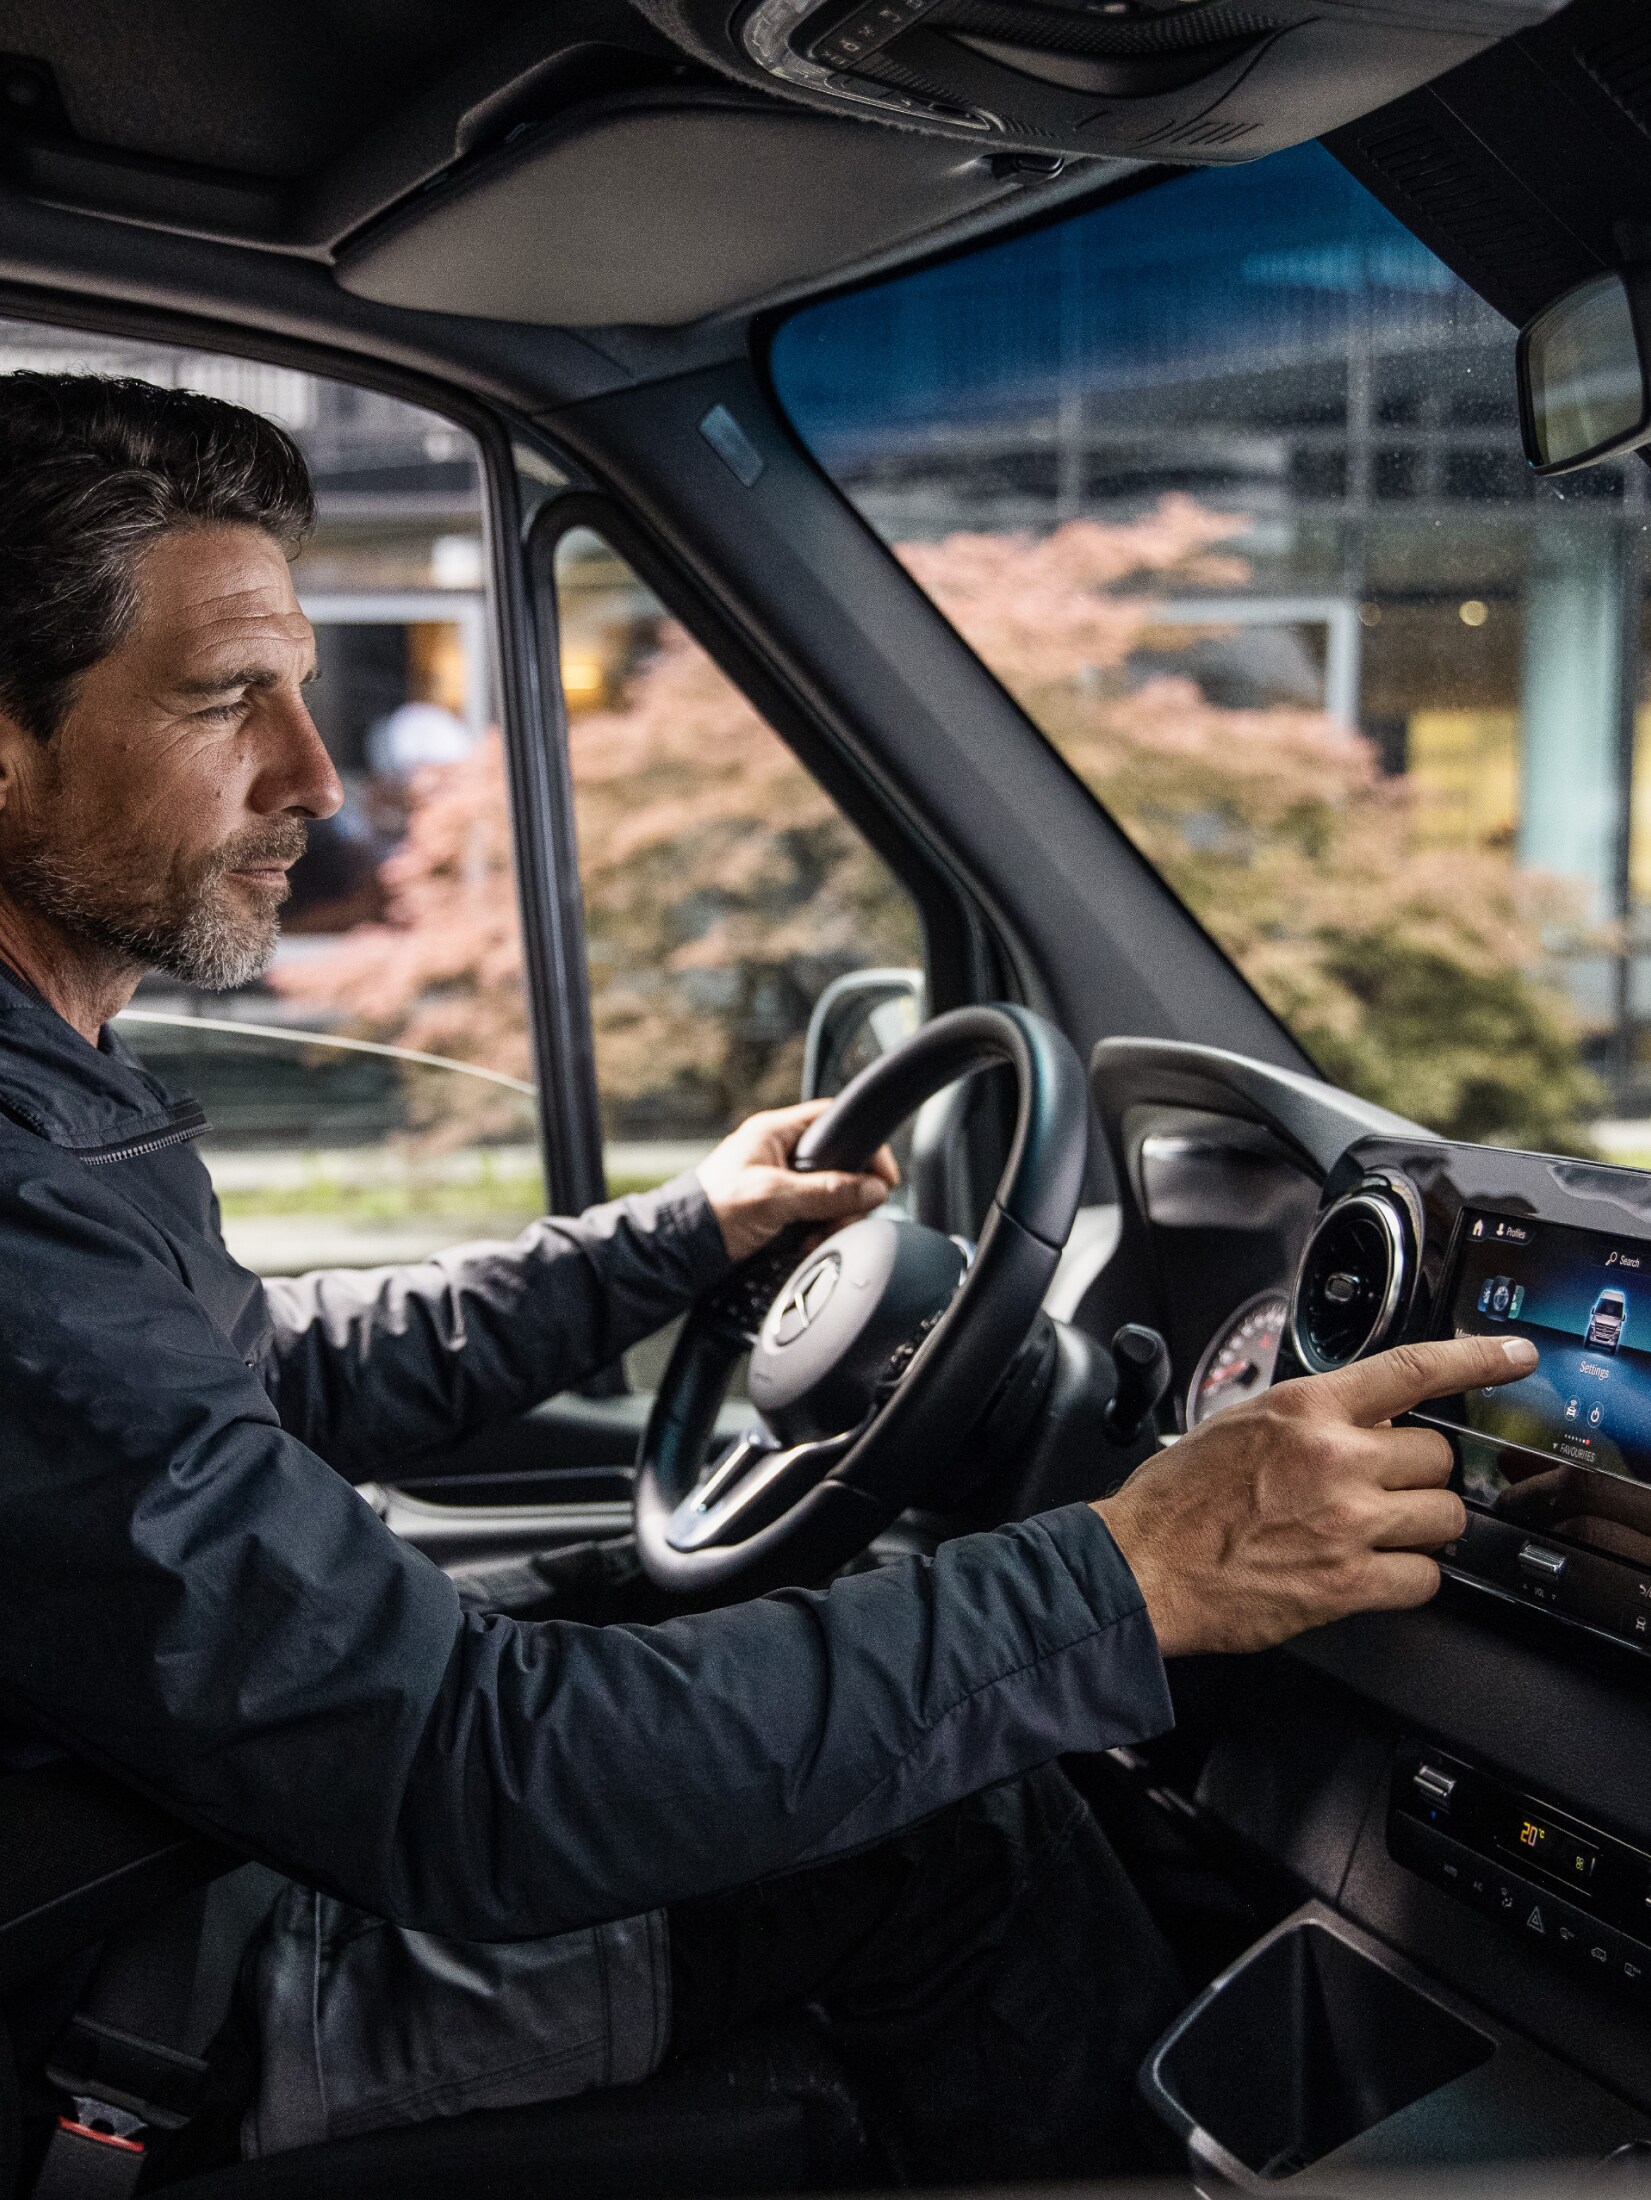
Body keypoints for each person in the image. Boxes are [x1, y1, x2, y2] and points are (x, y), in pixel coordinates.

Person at [0, 373, 1535, 2188]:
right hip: (154, 2008)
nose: (316, 777)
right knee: (960, 1848)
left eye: (301, 690)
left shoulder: (56, 1097)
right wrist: (1139, 1570)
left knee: (684, 1611)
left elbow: (268, 1378)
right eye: (221, 701)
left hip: (171, 1861)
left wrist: (678, 1237)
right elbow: (474, 1780)